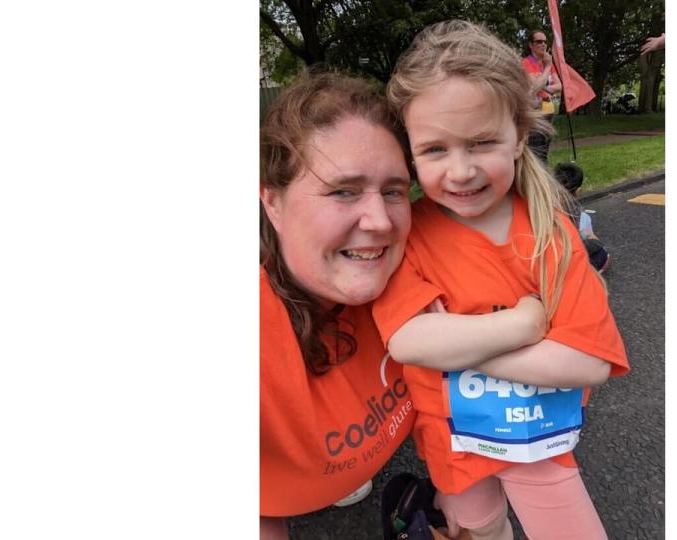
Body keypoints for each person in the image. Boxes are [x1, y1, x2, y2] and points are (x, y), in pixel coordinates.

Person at [377, 20, 629, 540]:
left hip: (539, 437)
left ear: (519, 137)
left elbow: (587, 360)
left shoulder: (548, 230)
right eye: (435, 150)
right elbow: (408, 339)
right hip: (453, 441)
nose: (462, 170)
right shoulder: (410, 234)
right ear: (410, 150)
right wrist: (526, 323)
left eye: (482, 142)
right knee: (479, 528)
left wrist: (458, 345)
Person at [259, 73, 419, 539]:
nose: (380, 221)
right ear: (272, 201)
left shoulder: (422, 262)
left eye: (394, 190)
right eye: (343, 191)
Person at [554, 162, 610, 274]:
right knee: (603, 254)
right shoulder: (580, 216)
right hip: (565, 257)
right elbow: (589, 237)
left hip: (543, 256)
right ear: (578, 191)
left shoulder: (541, 205)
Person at [522, 29, 562, 164]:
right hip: (535, 113)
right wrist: (547, 67)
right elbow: (534, 87)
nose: (543, 44)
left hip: (548, 113)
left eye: (545, 41)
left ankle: (543, 181)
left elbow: (559, 86)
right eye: (539, 41)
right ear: (531, 45)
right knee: (536, 153)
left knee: (544, 151)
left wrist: (544, 86)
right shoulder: (526, 63)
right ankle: (537, 182)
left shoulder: (547, 63)